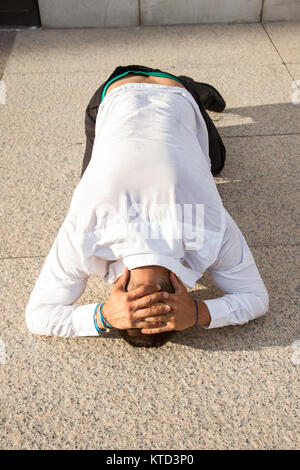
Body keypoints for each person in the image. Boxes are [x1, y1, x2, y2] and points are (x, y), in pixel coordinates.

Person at [25, 64, 269, 348]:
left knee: (215, 164)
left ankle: (191, 89)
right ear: (118, 290)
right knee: (92, 177)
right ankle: (188, 89)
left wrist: (198, 312)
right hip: (112, 93)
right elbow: (39, 317)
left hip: (175, 94)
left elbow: (256, 300)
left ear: (181, 287)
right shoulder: (83, 233)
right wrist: (102, 315)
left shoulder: (209, 231)